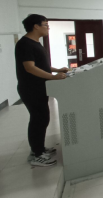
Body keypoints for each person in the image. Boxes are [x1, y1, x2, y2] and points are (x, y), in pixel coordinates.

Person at [15, 14, 68, 167]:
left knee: (42, 118)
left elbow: (41, 65)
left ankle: (38, 148)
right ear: (36, 26)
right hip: (31, 88)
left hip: (38, 87)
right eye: (45, 25)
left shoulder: (35, 43)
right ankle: (36, 155)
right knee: (38, 119)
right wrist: (53, 77)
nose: (48, 28)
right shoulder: (25, 44)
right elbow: (30, 68)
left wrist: (57, 70)